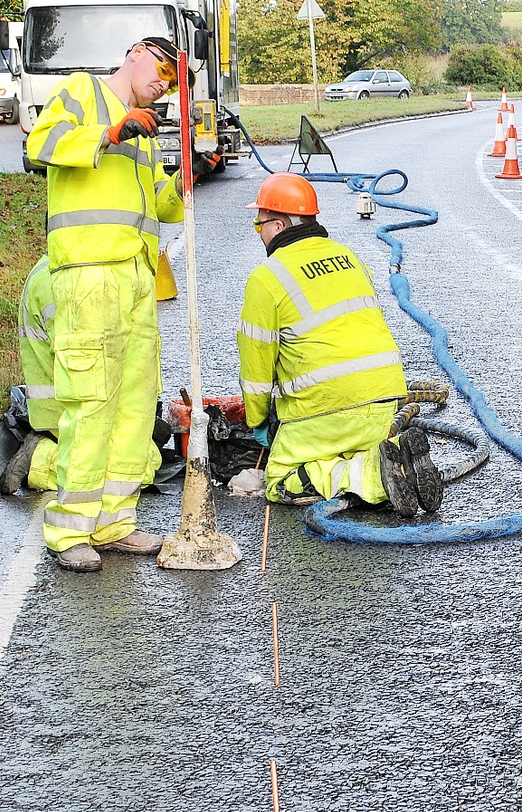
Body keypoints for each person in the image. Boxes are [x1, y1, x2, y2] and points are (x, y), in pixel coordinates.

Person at [22, 36, 186, 572]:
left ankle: (114, 521)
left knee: (136, 402)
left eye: (174, 80)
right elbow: (40, 145)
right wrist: (109, 133)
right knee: (91, 401)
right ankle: (69, 532)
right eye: (162, 69)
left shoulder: (143, 129)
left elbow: (156, 203)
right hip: (90, 273)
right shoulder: (83, 91)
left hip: (137, 276)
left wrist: (185, 177)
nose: (165, 83)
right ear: (136, 53)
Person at [234, 172, 442, 515]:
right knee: (350, 448)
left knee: (280, 480)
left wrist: (259, 422)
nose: (260, 233)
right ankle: (390, 454)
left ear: (279, 225)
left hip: (325, 409)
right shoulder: (349, 256)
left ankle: (375, 477)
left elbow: (256, 368)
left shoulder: (266, 278)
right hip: (384, 401)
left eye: (260, 225)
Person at [3, 255, 60, 494]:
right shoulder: (60, 282)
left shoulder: (49, 268)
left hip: (59, 410)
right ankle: (42, 457)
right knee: (132, 470)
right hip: (70, 411)